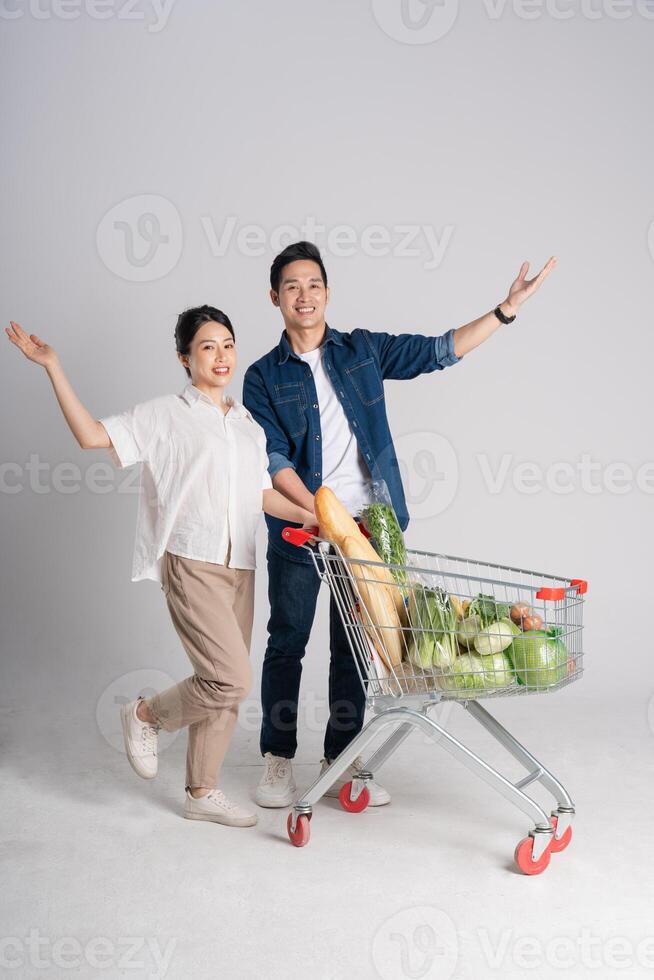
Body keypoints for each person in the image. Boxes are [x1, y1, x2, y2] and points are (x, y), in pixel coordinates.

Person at [243, 241, 556, 808]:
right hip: (302, 528)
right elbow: (274, 461)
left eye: (313, 284)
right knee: (287, 641)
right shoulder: (262, 377)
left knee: (355, 649)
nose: (304, 295)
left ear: (327, 292)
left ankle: (342, 758)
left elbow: (438, 350)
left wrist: (505, 310)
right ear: (275, 298)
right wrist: (322, 517)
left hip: (372, 525)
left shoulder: (362, 350)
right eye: (292, 286)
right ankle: (277, 760)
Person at [5, 306, 315, 828]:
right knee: (230, 679)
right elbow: (91, 436)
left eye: (227, 344)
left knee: (222, 690)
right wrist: (53, 366)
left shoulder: (246, 426)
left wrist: (316, 519)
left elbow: (262, 492)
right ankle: (145, 715)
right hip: (189, 557)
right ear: (184, 357)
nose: (221, 356)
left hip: (239, 561)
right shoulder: (164, 415)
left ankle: (202, 791)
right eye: (207, 346)